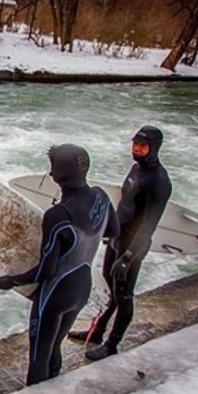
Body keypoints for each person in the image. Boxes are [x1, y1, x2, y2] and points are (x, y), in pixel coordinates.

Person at [0, 144, 118, 385]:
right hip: (82, 289)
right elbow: (113, 231)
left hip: (54, 295)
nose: (49, 174)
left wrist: (12, 280)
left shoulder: (58, 215)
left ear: (61, 174)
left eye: (53, 168)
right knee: (55, 346)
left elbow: (45, 271)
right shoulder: (101, 196)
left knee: (39, 356)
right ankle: (52, 393)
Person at [69, 126, 171, 360]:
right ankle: (97, 332)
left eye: (143, 146)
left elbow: (148, 225)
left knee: (124, 295)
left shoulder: (159, 181)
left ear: (154, 148)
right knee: (111, 291)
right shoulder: (136, 168)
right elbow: (125, 207)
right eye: (135, 144)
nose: (136, 149)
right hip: (117, 239)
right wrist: (109, 231)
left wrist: (127, 259)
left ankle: (112, 345)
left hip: (133, 246)